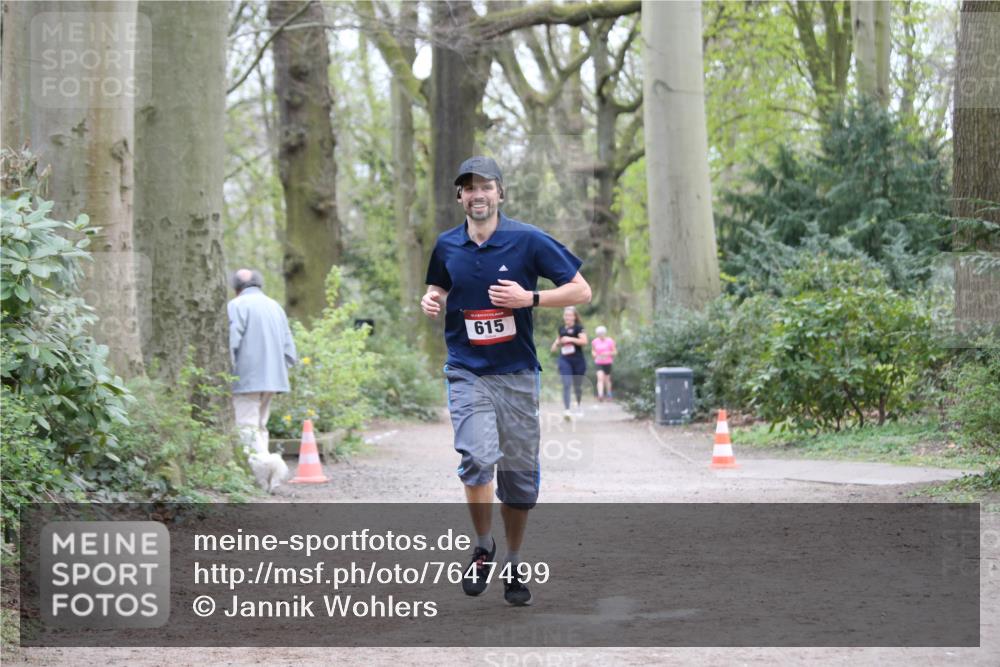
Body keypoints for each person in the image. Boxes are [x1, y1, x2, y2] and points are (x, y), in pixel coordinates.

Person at [421, 156, 591, 606]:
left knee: (518, 480)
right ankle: (482, 546)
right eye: (469, 187)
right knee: (476, 458)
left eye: (486, 186)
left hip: (516, 376)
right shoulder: (446, 245)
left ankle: (514, 560)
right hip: (466, 370)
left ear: (500, 193)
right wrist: (432, 299)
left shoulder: (527, 239)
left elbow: (581, 290)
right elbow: (438, 285)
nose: (478, 194)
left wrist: (529, 298)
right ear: (459, 196)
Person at [227, 268, 296, 492]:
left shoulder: (236, 306)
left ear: (236, 289)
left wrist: (226, 373)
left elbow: (232, 342)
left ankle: (264, 470)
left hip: (246, 377)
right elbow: (289, 348)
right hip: (273, 378)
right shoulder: (275, 307)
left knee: (246, 426)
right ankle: (268, 478)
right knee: (260, 426)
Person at [550, 306, 587, 418]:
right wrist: (556, 344)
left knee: (577, 385)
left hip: (578, 360)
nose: (567, 317)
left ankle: (579, 406)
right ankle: (567, 410)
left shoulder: (579, 328)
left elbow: (584, 341)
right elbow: (555, 345)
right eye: (566, 315)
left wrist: (570, 339)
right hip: (564, 359)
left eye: (570, 315)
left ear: (575, 317)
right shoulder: (561, 329)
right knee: (566, 383)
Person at [590, 325, 617, 401]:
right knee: (600, 377)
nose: (600, 335)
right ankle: (600, 395)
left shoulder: (610, 341)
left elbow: (615, 352)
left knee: (607, 379)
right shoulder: (595, 341)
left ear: (604, 333)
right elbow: (593, 350)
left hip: (608, 362)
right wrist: (594, 354)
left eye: (601, 333)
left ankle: (609, 394)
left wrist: (607, 353)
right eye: (598, 334)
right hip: (599, 362)